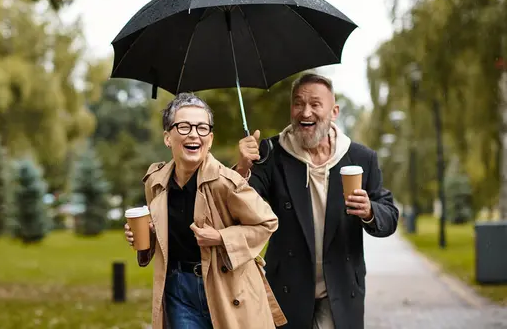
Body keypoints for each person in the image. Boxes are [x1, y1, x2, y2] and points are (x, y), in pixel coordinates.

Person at [235, 73, 399, 329]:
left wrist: (369, 211)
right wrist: (243, 167)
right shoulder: (271, 153)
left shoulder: (360, 157)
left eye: (315, 104)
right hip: (288, 290)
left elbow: (389, 217)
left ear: (334, 111)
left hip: (341, 291)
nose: (305, 112)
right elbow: (239, 208)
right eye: (298, 103)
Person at [124, 92, 287, 329]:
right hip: (178, 290)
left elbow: (267, 222)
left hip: (227, 287)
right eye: (184, 127)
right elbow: (163, 236)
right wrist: (146, 236)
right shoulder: (156, 182)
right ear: (167, 138)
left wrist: (221, 237)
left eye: (202, 128)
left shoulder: (226, 182)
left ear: (209, 139)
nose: (193, 134)